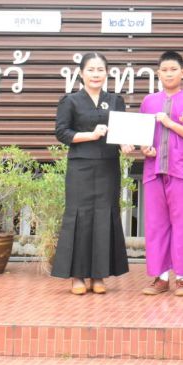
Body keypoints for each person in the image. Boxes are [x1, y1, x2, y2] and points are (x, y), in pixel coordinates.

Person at [51, 52, 133, 295]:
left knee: (104, 216)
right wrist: (91, 135)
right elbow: (62, 133)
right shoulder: (71, 101)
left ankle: (98, 275)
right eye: (91, 70)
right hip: (80, 167)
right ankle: (77, 276)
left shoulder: (115, 100)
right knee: (80, 217)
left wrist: (125, 143)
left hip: (108, 166)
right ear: (81, 73)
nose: (96, 74)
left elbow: (121, 131)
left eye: (100, 70)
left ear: (107, 73)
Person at [139, 51, 183, 298]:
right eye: (164, 70)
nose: (169, 74)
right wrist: (144, 148)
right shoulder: (148, 102)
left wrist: (171, 124)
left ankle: (182, 278)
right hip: (154, 171)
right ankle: (161, 278)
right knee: (156, 226)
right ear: (158, 73)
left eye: (173, 69)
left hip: (182, 171)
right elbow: (142, 136)